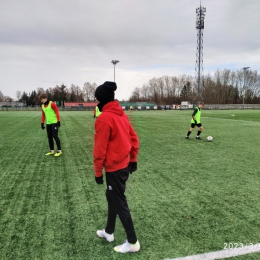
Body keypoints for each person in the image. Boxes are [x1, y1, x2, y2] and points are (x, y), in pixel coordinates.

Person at [93, 81, 140, 253]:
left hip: (115, 169)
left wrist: (98, 171)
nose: (96, 104)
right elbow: (134, 138)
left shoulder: (104, 118)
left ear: (102, 100)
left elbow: (100, 149)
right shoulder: (121, 115)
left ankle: (133, 242)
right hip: (124, 165)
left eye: (97, 100)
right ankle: (109, 231)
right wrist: (133, 159)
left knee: (118, 201)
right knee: (111, 196)